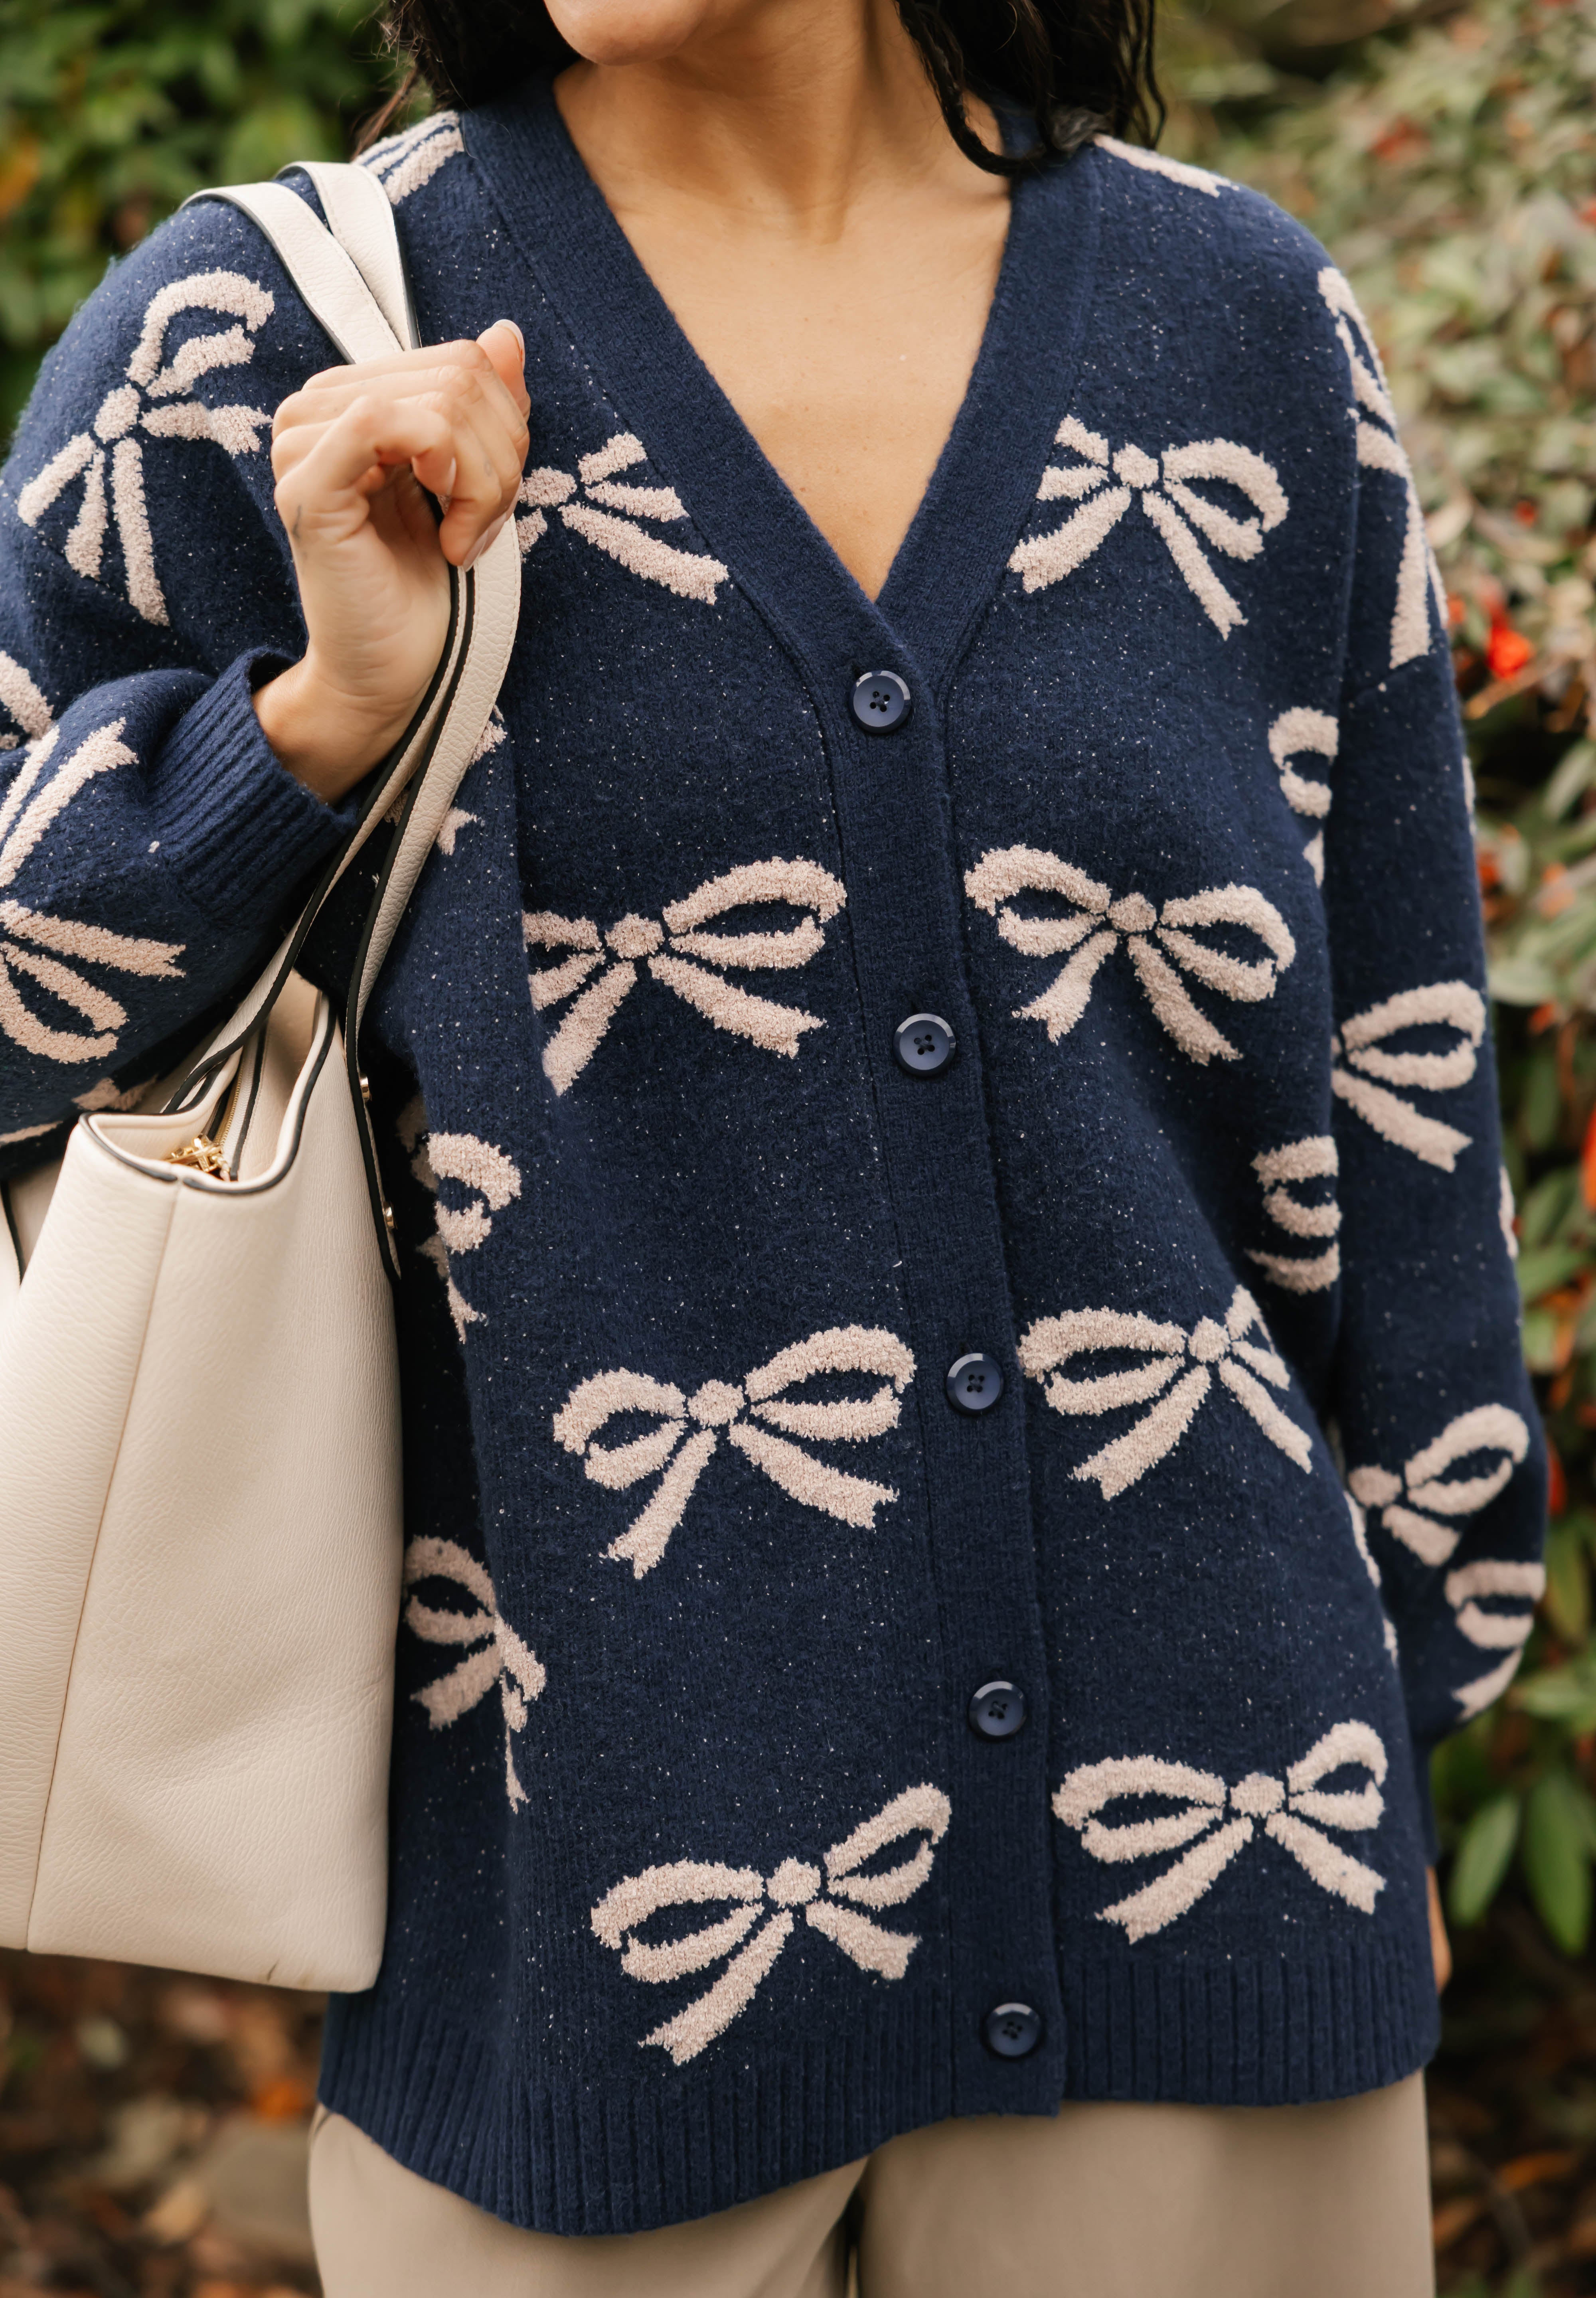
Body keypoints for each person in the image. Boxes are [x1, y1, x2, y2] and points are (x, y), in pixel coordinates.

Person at [0, 0, 1545, 2288]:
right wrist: (315, 724)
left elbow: (1397, 1088)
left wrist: (1410, 1702)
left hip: (1219, 1862)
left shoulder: (1246, 332)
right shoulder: (270, 340)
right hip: (569, 1951)